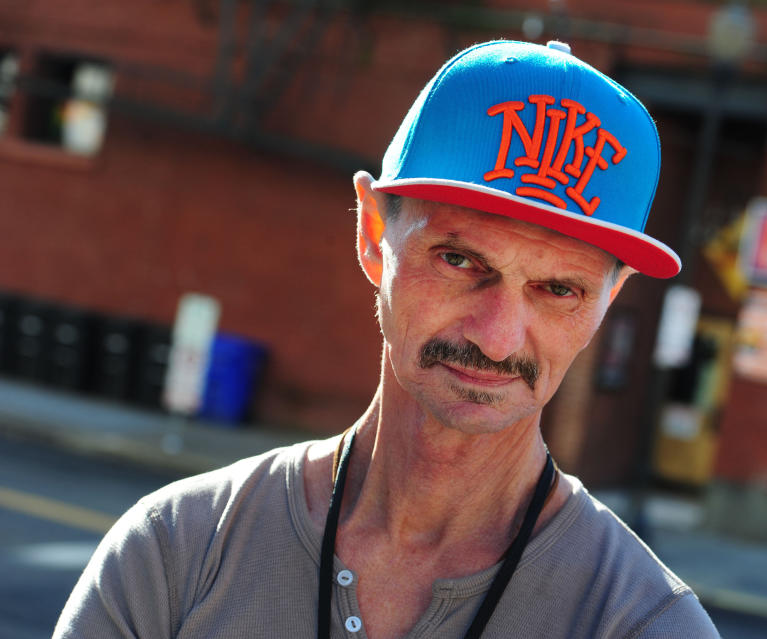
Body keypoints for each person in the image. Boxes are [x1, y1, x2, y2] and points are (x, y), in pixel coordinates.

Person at [54, 40, 719, 638]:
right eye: (459, 260)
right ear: (373, 234)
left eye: (559, 289)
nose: (496, 337)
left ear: (610, 298)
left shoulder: (644, 624)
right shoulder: (176, 551)